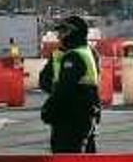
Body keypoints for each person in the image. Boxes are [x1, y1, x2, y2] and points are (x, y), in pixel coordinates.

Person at [39, 15, 101, 154]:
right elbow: (45, 80)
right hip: (85, 114)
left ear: (73, 33)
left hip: (72, 117)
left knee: (68, 159)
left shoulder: (74, 56)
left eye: (63, 32)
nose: (59, 37)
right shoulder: (88, 52)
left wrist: (49, 108)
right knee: (86, 159)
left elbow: (65, 88)